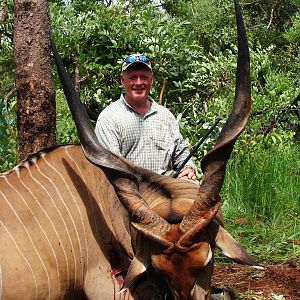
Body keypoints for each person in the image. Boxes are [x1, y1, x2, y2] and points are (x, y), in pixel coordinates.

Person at [95, 53, 196, 181]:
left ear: (151, 80)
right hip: (130, 186)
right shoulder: (109, 118)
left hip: (166, 185)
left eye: (144, 77)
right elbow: (112, 168)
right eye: (132, 78)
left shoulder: (165, 116)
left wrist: (188, 168)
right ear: (122, 80)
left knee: (193, 185)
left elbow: (181, 152)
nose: (138, 83)